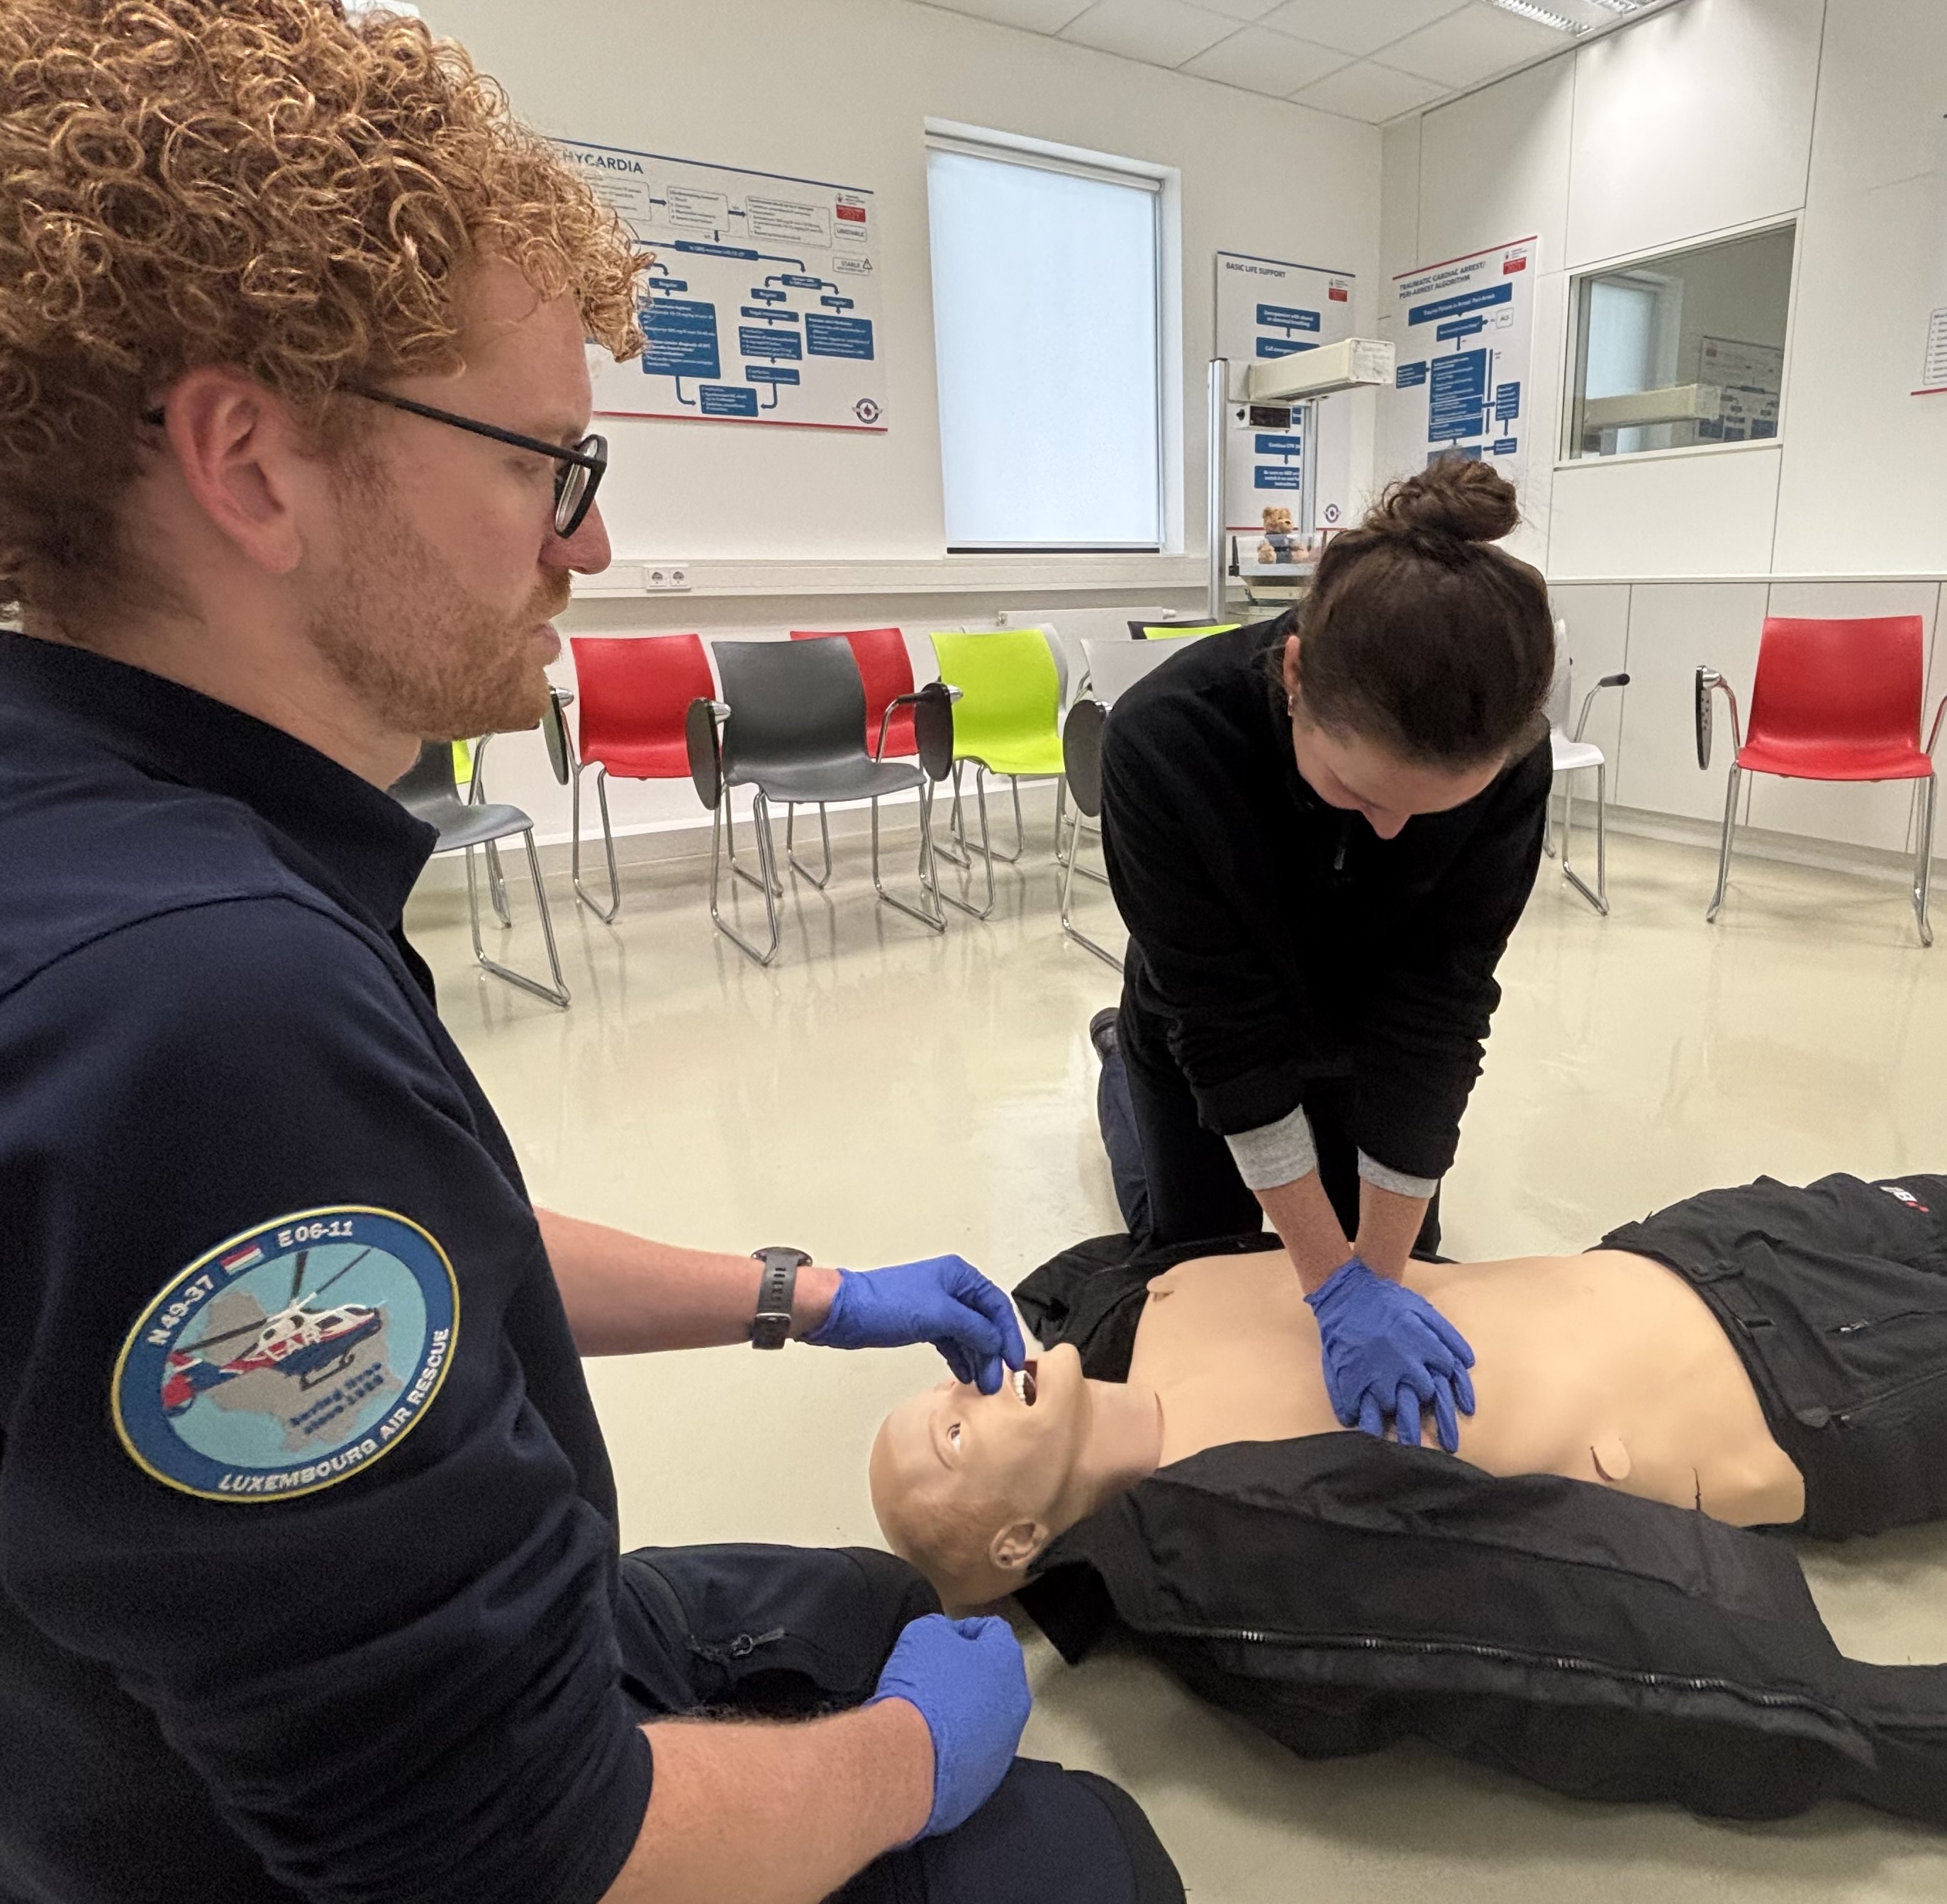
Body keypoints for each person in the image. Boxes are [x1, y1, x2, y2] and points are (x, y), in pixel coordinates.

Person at [0, 8, 1181, 1904]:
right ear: (252, 464)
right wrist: (902, 1767)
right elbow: (513, 1845)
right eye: (550, 461)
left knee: (872, 1595)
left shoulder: (107, 828)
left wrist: (796, 1288)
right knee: (1078, 1844)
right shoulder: (198, 1008)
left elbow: (348, 1284)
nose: (601, 541)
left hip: (174, 1704)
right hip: (270, 1847)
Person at [864, 1172, 1947, 1830]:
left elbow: (1150, 1153)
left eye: (944, 1381)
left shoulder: (1134, 1298)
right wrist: (1882, 1729)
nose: (968, 1384)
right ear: (1017, 1536)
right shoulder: (1231, 1532)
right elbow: (1542, 1629)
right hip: (1813, 1383)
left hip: (1707, 1245)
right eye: (952, 1431)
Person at [1095, 459, 1556, 1450]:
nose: (1395, 834)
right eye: (1358, 795)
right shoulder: (1163, 742)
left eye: (1435, 810)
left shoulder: (1512, 753)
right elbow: (1225, 1034)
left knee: (1409, 1266)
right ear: (1295, 676)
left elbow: (1439, 1011)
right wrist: (1329, 1283)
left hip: (1363, 1034)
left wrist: (1374, 1277)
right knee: (1192, 1262)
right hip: (1203, 1026)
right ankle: (1116, 1067)